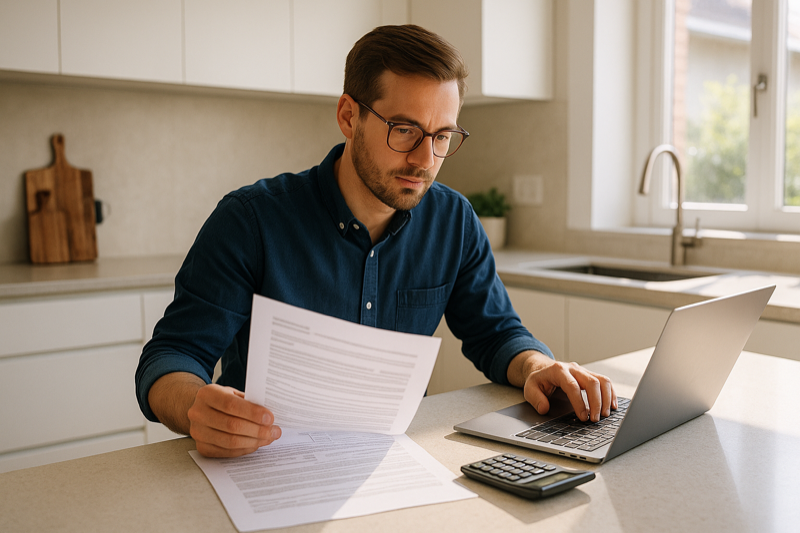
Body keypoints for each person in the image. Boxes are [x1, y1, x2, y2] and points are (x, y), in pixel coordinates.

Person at [136, 24, 616, 459]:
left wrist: (535, 365)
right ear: (349, 117)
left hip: (393, 461)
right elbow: (171, 358)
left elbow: (495, 333)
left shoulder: (454, 220)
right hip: (265, 461)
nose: (425, 159)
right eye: (404, 130)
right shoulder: (251, 220)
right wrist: (196, 406)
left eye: (442, 136)